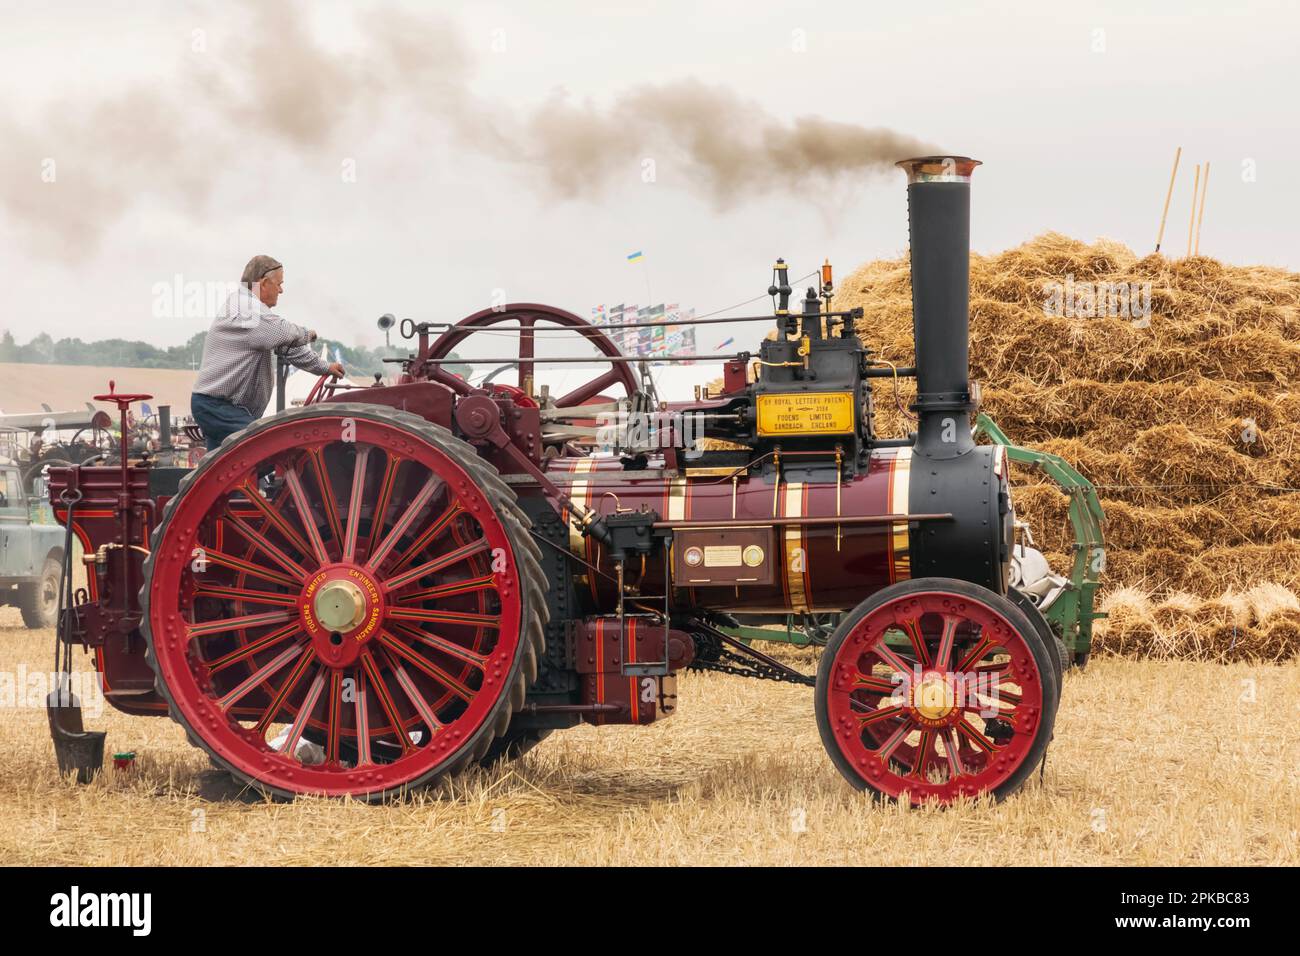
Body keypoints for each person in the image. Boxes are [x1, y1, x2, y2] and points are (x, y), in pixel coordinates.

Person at [190, 255, 344, 451]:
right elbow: (282, 332)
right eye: (279, 284)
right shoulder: (246, 308)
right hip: (219, 407)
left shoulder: (250, 310)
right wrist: (308, 334)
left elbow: (288, 348)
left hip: (217, 406)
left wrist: (325, 367)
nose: (281, 290)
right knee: (269, 450)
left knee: (221, 472)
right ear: (263, 283)